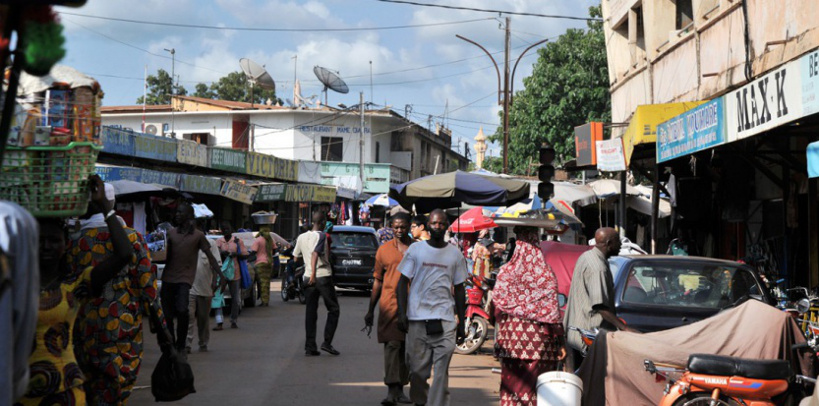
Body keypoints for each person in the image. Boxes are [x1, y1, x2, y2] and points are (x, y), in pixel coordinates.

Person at [17, 176, 134, 405]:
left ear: (65, 244)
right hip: (20, 392)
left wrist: (106, 209)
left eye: (53, 240)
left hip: (67, 390)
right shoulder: (14, 284)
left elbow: (124, 254)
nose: (46, 246)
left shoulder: (75, 284)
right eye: (39, 240)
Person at [65, 182, 163, 405]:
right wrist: (165, 338)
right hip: (122, 336)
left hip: (83, 335)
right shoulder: (133, 239)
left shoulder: (72, 242)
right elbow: (149, 293)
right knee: (115, 395)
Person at [397, 209, 467, 406]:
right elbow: (402, 283)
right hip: (418, 320)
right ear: (428, 225)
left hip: (445, 320)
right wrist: (402, 314)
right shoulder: (415, 251)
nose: (437, 227)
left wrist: (461, 322)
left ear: (447, 226)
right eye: (434, 223)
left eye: (442, 224)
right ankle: (420, 402)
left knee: (441, 372)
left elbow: (460, 289)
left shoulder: (455, 254)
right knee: (418, 372)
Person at [492, 226, 566, 405]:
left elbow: (496, 311)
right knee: (534, 390)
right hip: (539, 345)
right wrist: (560, 342)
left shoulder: (506, 273)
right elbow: (553, 314)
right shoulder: (545, 273)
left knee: (511, 388)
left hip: (510, 342)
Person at [563, 227, 636, 369]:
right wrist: (624, 328)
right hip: (587, 337)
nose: (620, 245)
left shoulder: (587, 256)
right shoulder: (598, 268)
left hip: (575, 333)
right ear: (609, 243)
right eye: (617, 241)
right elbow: (600, 307)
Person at [365, 213, 414, 405]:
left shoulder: (417, 248)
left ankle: (401, 389)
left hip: (414, 306)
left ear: (409, 226)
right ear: (391, 227)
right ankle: (392, 390)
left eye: (403, 227)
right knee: (392, 346)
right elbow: (377, 281)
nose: (399, 230)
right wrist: (370, 309)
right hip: (390, 305)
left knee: (406, 349)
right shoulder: (383, 251)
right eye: (396, 227)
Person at [161, 202, 223, 352]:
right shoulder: (171, 234)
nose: (177, 215)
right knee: (167, 315)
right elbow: (165, 256)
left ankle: (182, 345)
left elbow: (211, 257)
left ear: (189, 216)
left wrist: (221, 276)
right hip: (168, 279)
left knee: (184, 311)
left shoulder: (198, 236)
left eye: (180, 213)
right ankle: (172, 344)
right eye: (176, 213)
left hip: (185, 280)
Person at [294, 211, 340, 356]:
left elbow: (295, 258)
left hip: (307, 278)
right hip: (322, 276)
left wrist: (308, 270)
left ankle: (310, 347)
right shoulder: (321, 236)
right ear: (323, 222)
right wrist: (314, 273)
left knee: (311, 311)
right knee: (334, 309)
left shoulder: (301, 237)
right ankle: (327, 342)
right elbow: (315, 254)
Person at [186, 219, 222, 353]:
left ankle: (203, 342)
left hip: (205, 287)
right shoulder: (187, 243)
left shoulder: (211, 244)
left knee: (203, 318)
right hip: (190, 287)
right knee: (188, 316)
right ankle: (187, 344)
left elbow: (216, 264)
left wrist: (215, 281)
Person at [216, 221, 248, 329]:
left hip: (235, 273)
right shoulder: (218, 242)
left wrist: (236, 254)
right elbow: (214, 256)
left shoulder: (238, 241)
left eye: (227, 229)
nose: (225, 231)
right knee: (218, 297)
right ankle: (219, 322)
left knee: (235, 299)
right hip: (221, 274)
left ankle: (234, 320)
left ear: (231, 229)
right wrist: (221, 254)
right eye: (223, 229)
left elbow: (245, 255)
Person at [251, 225, 277, 307]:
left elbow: (253, 252)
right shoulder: (270, 240)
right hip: (269, 263)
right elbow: (274, 250)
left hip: (260, 263)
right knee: (267, 283)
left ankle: (264, 301)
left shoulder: (258, 240)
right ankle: (266, 300)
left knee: (262, 283)